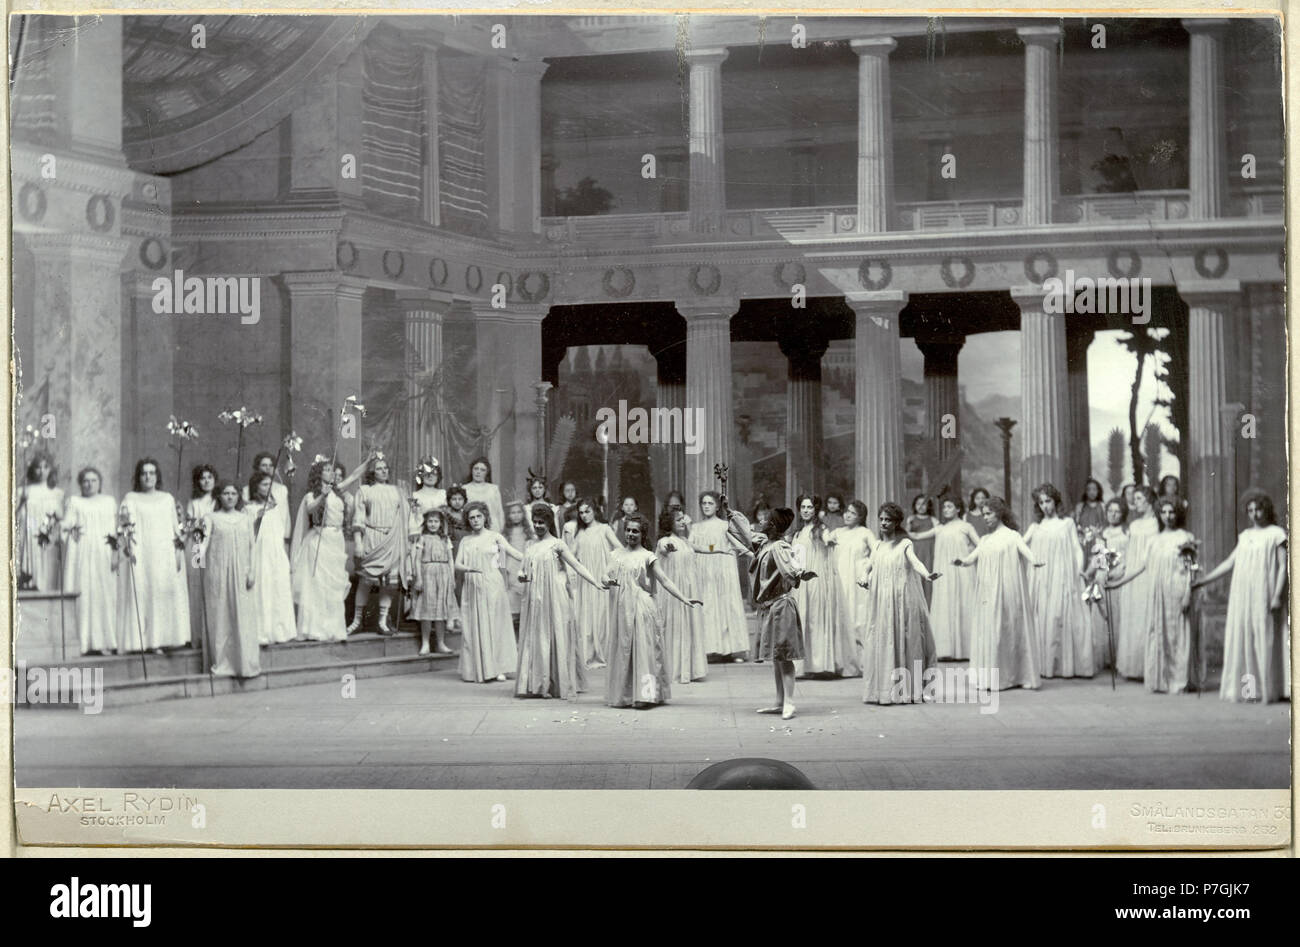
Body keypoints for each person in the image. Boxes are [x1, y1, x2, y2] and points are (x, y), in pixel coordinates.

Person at [1194, 493, 1288, 703]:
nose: (1255, 515)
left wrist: (1276, 596)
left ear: (1266, 510)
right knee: (1244, 640)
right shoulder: (1245, 536)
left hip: (1264, 592)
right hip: (1243, 594)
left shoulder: (1276, 534)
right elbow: (1229, 562)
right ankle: (1250, 691)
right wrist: (1204, 580)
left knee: (1265, 639)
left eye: (1259, 509)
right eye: (1251, 510)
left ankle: (1269, 690)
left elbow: (1283, 568)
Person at [602, 512, 699, 709]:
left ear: (642, 533)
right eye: (628, 530)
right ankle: (625, 694)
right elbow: (605, 574)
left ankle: (646, 695)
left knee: (644, 653)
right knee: (624, 652)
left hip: (642, 608)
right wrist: (606, 581)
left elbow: (664, 580)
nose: (630, 534)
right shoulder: (616, 554)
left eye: (635, 531)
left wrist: (684, 598)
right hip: (622, 610)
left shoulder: (648, 556)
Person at [727, 505, 814, 721]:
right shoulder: (767, 543)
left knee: (784, 657)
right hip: (770, 607)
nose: (763, 522)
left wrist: (800, 574)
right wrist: (731, 512)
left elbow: (789, 567)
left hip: (781, 607)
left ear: (773, 525)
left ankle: (789, 702)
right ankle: (779, 700)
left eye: (767, 520)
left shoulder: (779, 547)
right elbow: (747, 533)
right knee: (777, 657)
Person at [515, 502, 607, 700]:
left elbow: (576, 565)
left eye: (542, 522)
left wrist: (595, 583)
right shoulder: (530, 545)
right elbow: (523, 568)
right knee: (538, 637)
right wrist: (521, 575)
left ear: (549, 522)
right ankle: (539, 682)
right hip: (535, 598)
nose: (538, 526)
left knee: (557, 634)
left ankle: (557, 682)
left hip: (555, 596)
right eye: (535, 522)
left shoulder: (557, 544)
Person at [953, 497, 1043, 691]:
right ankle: (994, 676)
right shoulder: (985, 539)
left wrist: (1034, 561)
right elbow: (971, 558)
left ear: (999, 513)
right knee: (991, 630)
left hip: (1008, 588)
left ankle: (1013, 675)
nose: (985, 518)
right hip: (987, 591)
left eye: (988, 513)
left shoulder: (1012, 536)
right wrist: (961, 561)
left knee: (1007, 628)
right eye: (983, 514)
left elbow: (1025, 550)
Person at [859, 503, 940, 704]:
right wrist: (863, 578)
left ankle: (906, 689)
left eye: (889, 520)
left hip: (901, 601)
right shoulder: (876, 546)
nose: (884, 523)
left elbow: (915, 562)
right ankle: (883, 689)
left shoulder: (904, 544)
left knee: (903, 639)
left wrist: (927, 575)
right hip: (881, 603)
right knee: (883, 639)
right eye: (882, 519)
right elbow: (867, 567)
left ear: (896, 523)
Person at [117, 458, 191, 653]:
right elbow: (125, 527)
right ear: (138, 477)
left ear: (157, 476)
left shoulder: (167, 499)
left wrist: (177, 553)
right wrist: (129, 547)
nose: (148, 477)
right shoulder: (130, 498)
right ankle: (144, 641)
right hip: (141, 554)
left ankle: (163, 639)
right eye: (144, 473)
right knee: (143, 592)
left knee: (161, 593)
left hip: (163, 553)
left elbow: (177, 530)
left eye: (151, 473)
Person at [1024, 483, 1093, 679]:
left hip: (1063, 575)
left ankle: (1066, 665)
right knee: (1046, 616)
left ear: (1056, 501)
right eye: (1041, 502)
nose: (1045, 505)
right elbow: (1020, 545)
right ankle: (1046, 665)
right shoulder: (1036, 527)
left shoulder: (1067, 523)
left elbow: (1076, 547)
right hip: (1043, 578)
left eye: (1048, 501)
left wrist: (1079, 569)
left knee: (1062, 617)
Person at [290, 460, 363, 643]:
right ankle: (315, 629)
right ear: (319, 474)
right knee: (319, 585)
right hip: (320, 540)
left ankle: (333, 629)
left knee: (332, 586)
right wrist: (322, 496)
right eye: (327, 470)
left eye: (332, 470)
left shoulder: (337, 490)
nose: (331, 472)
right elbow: (310, 508)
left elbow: (354, 475)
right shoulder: (311, 495)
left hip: (336, 541)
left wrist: (368, 461)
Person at [455, 501, 524, 682]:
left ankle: (498, 667)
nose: (475, 520)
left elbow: (512, 553)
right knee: (475, 626)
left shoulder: (495, 536)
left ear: (485, 517)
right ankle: (479, 668)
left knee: (495, 624)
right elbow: (457, 564)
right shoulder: (465, 540)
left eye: (478, 516)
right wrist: (470, 569)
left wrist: (532, 558)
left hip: (493, 584)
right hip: (473, 585)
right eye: (471, 518)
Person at [199, 481, 260, 678]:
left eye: (234, 493)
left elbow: (252, 547)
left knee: (243, 618)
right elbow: (200, 545)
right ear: (219, 496)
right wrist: (196, 563)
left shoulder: (245, 519)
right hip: (218, 574)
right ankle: (223, 664)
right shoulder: (210, 518)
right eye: (226, 493)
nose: (230, 497)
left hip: (242, 574)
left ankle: (244, 664)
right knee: (221, 618)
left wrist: (252, 572)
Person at [790, 494, 855, 676]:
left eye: (810, 507)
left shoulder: (821, 530)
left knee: (816, 619)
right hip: (801, 584)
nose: (805, 511)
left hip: (817, 582)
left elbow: (828, 539)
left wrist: (829, 541)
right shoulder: (797, 533)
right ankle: (804, 666)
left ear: (816, 509)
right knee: (803, 619)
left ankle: (820, 665)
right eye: (803, 507)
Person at [910, 494, 980, 660]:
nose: (946, 510)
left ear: (958, 509)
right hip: (943, 574)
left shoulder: (966, 526)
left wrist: (967, 556)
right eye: (944, 507)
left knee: (963, 603)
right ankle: (944, 650)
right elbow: (917, 536)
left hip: (962, 573)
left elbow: (981, 545)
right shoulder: (939, 528)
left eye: (950, 507)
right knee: (945, 605)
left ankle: (967, 650)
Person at [347, 455, 410, 635]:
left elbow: (406, 516)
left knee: (388, 584)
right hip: (372, 538)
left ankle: (382, 621)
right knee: (365, 581)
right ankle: (357, 621)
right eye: (379, 468)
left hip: (392, 538)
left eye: (385, 468)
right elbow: (358, 518)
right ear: (372, 472)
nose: (383, 471)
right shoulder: (365, 490)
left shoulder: (398, 491)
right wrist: (358, 543)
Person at [689, 491, 752, 662]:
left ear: (717, 506)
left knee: (727, 605)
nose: (707, 506)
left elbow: (740, 543)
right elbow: (692, 545)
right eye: (704, 503)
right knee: (709, 607)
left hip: (724, 570)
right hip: (705, 570)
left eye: (710, 503)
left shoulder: (725, 525)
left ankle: (734, 649)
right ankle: (711, 649)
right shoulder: (696, 527)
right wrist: (711, 549)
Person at [62, 467, 118, 655]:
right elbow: (66, 526)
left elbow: (113, 530)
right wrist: (70, 532)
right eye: (86, 480)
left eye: (94, 480)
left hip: (103, 552)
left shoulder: (109, 502)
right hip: (81, 553)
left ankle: (104, 642)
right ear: (80, 483)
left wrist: (115, 553)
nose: (89, 484)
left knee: (103, 595)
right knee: (83, 593)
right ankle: (82, 642)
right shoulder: (74, 501)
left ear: (100, 482)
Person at [655, 506, 708, 684]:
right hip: (673, 592)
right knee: (676, 625)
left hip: (689, 589)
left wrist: (721, 549)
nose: (682, 522)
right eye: (678, 519)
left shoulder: (685, 540)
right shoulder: (665, 540)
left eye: (682, 519)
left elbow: (702, 547)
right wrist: (667, 548)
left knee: (689, 625)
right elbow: (663, 548)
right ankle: (675, 669)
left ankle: (691, 668)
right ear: (669, 522)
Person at [245, 472, 296, 646]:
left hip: (276, 553)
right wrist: (257, 519)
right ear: (255, 487)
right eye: (264, 485)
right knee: (263, 589)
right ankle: (262, 632)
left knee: (278, 589)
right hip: (260, 555)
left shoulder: (275, 507)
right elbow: (249, 535)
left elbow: (280, 533)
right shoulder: (250, 509)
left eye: (269, 485)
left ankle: (279, 631)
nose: (268, 488)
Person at [1115, 485, 1159, 680]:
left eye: (1140, 499)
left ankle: (1148, 667)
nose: (1136, 502)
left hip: (1148, 573)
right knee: (1132, 615)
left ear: (1149, 500)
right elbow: (1130, 552)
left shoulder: (1157, 525)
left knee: (1146, 616)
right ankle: (1133, 667)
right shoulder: (1133, 525)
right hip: (1132, 574)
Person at [570, 499, 621, 667]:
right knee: (587, 616)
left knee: (602, 615)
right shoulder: (580, 534)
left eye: (587, 511)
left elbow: (619, 549)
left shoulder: (604, 529)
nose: (584, 515)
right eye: (581, 512)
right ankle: (589, 653)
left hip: (602, 578)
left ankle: (605, 653)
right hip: (586, 580)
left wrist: (609, 569)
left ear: (595, 511)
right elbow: (571, 556)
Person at [825, 500, 876, 663]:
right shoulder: (837, 532)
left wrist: (866, 572)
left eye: (853, 513)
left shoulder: (866, 533)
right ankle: (843, 660)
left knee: (859, 618)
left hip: (858, 581)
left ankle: (863, 660)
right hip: (840, 580)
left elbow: (877, 553)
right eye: (847, 511)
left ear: (861, 517)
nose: (847, 515)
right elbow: (821, 542)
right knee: (841, 618)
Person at [1083, 498, 1130, 671]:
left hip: (1119, 576)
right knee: (1102, 617)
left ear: (1123, 513)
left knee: (1117, 615)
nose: (1113, 514)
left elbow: (1128, 556)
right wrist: (1088, 573)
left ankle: (1119, 658)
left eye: (1117, 511)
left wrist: (1119, 571)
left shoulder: (1127, 532)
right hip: (1102, 575)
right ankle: (1105, 659)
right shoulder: (1102, 533)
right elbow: (1098, 557)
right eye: (1110, 511)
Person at [408, 509, 458, 655]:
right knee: (427, 610)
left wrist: (452, 578)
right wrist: (419, 578)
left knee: (441, 611)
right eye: (430, 521)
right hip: (427, 573)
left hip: (443, 575)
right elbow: (417, 559)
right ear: (426, 523)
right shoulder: (422, 538)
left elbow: (450, 560)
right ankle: (425, 643)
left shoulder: (445, 539)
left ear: (441, 523)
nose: (433, 524)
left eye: (436, 521)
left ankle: (441, 643)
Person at [18, 451, 64, 591]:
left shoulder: (57, 493)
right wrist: (21, 503)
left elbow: (61, 516)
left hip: (48, 534)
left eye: (45, 467)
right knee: (30, 562)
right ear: (33, 470)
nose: (41, 471)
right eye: (38, 467)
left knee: (48, 566)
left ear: (51, 470)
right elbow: (15, 516)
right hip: (29, 532)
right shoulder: (23, 490)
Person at [184, 464, 218, 650]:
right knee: (198, 587)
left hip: (216, 545)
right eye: (203, 478)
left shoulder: (218, 501)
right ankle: (197, 635)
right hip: (198, 544)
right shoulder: (194, 503)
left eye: (210, 477)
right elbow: (190, 525)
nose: (206, 481)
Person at [502, 499, 535, 636]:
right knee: (512, 606)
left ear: (523, 514)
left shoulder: (529, 532)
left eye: (518, 512)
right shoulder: (505, 534)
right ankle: (512, 639)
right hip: (511, 570)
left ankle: (526, 638)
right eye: (512, 513)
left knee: (526, 606)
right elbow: (502, 555)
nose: (516, 515)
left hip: (525, 569)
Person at [462, 456, 505, 541]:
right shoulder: (465, 489)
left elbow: (499, 511)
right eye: (476, 469)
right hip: (473, 527)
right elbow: (463, 512)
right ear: (471, 470)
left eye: (482, 470)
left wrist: (501, 530)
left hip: (493, 527)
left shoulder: (494, 489)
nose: (478, 472)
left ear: (487, 473)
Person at [408, 457, 447, 540]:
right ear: (421, 476)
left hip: (441, 535)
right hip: (421, 535)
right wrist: (414, 533)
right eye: (427, 474)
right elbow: (412, 517)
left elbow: (447, 517)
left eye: (434, 474)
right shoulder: (415, 496)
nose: (430, 477)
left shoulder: (443, 494)